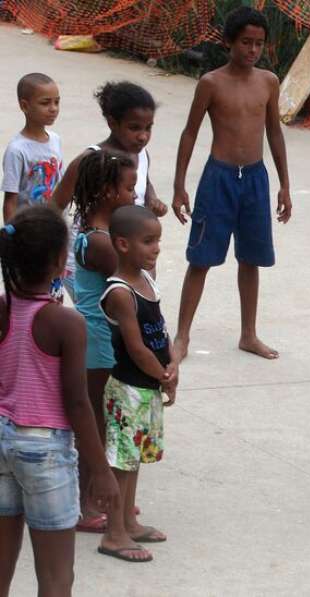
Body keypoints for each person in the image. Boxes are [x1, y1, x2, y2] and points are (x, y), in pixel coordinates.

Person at [0, 206, 119, 596]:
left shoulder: (3, 309)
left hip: (2, 440)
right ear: (57, 263)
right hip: (44, 450)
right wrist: (100, 469)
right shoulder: (66, 323)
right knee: (56, 577)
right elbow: (78, 403)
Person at [171, 6, 291, 361]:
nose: (252, 50)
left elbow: (274, 132)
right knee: (202, 258)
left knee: (250, 259)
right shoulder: (211, 83)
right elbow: (190, 133)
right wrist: (179, 185)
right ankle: (182, 336)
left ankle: (249, 334)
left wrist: (285, 184)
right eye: (245, 42)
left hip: (255, 178)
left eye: (258, 43)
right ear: (229, 42)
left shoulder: (268, 82)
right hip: (218, 178)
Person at [98, 205, 177, 562]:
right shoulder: (119, 292)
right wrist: (163, 375)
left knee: (135, 461)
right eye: (148, 241)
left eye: (157, 240)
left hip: (147, 388)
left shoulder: (147, 280)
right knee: (122, 464)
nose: (156, 248)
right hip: (128, 390)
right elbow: (136, 347)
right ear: (122, 245)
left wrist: (172, 365)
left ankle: (128, 520)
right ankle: (113, 534)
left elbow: (159, 331)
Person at [71, 150, 137, 532]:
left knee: (102, 421)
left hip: (97, 339)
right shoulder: (102, 243)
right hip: (98, 344)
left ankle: (101, 495)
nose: (133, 195)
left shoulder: (95, 231)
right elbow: (130, 281)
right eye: (128, 188)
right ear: (108, 191)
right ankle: (85, 504)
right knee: (95, 424)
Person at [52, 81, 167, 299]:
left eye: (148, 128)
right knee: (105, 315)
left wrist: (152, 198)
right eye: (134, 128)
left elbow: (144, 181)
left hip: (129, 248)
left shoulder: (141, 154)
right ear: (113, 123)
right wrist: (50, 252)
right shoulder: (92, 160)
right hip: (91, 256)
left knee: (132, 305)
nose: (143, 136)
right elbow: (56, 204)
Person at [2, 73, 65, 300]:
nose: (53, 108)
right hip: (30, 235)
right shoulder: (17, 150)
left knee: (54, 294)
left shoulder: (56, 140)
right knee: (29, 294)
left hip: (53, 230)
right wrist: (13, 238)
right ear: (24, 106)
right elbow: (10, 200)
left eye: (57, 101)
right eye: (45, 103)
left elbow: (59, 184)